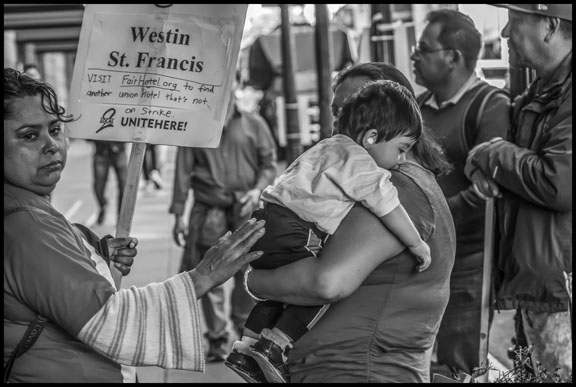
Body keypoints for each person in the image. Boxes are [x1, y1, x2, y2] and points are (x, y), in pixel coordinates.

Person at [3, 67, 267, 383]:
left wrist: (95, 256)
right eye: (29, 135)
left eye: (56, 129)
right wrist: (202, 276)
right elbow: (112, 323)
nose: (51, 145)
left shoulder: (28, 214)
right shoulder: (28, 227)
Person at [233, 62, 456, 383]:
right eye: (339, 111)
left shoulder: (398, 189)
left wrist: (254, 280)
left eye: (358, 108)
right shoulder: (364, 174)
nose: (344, 124)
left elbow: (326, 282)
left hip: (360, 371)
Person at [464, 4, 572, 379]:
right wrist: (489, 165)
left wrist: (489, 153)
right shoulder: (543, 89)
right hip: (541, 286)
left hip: (562, 290)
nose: (506, 32)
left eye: (516, 20)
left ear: (550, 26)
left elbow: (558, 181)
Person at [410, 9, 511, 378]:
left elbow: (486, 192)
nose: (414, 56)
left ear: (453, 57)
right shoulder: (417, 109)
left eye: (423, 48)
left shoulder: (490, 106)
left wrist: (422, 224)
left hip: (467, 267)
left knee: (461, 368)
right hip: (417, 262)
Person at [169, 74, 278, 362]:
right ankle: (217, 336)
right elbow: (182, 171)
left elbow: (269, 163)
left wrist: (257, 190)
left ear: (234, 88)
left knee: (247, 272)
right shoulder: (194, 128)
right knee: (210, 271)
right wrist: (179, 213)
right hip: (209, 210)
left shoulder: (254, 123)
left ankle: (243, 327)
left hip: (247, 210)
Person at [91, 140, 128, 225]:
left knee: (124, 186)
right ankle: (103, 205)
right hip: (101, 151)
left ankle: (121, 218)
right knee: (98, 187)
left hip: (119, 151)